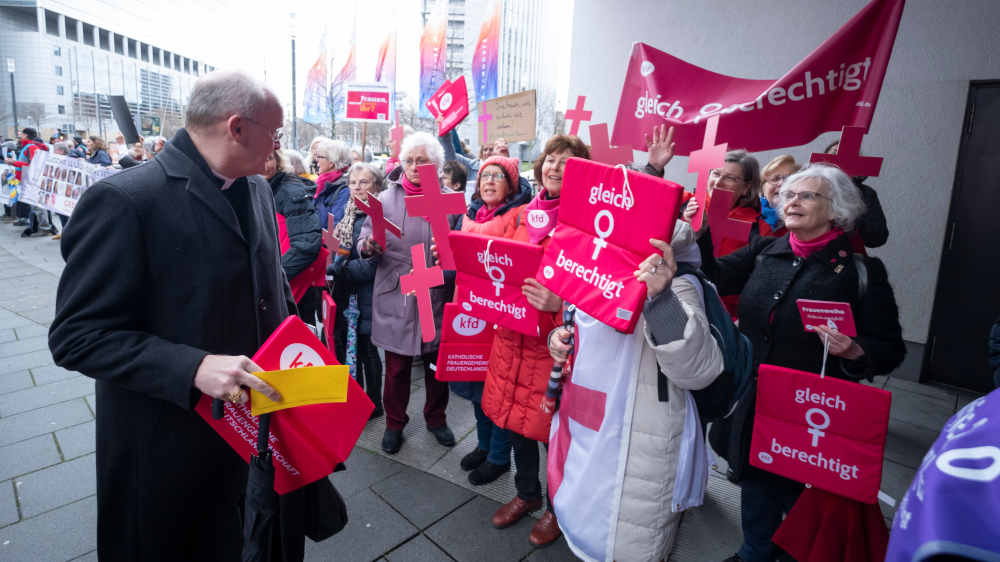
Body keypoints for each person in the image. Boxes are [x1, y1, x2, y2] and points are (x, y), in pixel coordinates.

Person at [49, 71, 296, 562]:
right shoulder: (125, 200)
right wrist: (194, 368)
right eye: (276, 132)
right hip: (168, 447)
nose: (278, 145)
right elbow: (77, 336)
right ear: (237, 127)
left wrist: (298, 341)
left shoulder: (258, 190)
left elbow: (272, 292)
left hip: (253, 437)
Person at [714, 164, 906, 562]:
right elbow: (714, 274)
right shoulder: (768, 250)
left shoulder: (860, 272)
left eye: (806, 195)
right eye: (789, 195)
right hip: (756, 397)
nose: (792, 201)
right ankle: (755, 551)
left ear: (835, 210)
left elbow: (890, 348)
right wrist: (691, 235)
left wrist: (854, 351)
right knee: (756, 479)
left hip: (813, 411)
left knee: (799, 495)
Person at [546, 221, 723, 561]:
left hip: (638, 437)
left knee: (628, 539)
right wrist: (558, 342)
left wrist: (661, 300)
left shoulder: (676, 283)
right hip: (584, 425)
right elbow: (574, 329)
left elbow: (700, 371)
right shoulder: (590, 272)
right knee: (582, 516)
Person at [480, 134, 591, 547]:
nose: (555, 168)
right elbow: (497, 258)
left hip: (555, 345)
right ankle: (526, 494)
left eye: (568, 162)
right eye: (551, 160)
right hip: (513, 334)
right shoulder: (524, 214)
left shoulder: (588, 222)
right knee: (517, 423)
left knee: (555, 434)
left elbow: (602, 288)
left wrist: (560, 301)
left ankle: (556, 508)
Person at [359, 131, 459, 455]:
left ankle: (436, 418)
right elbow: (365, 239)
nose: (415, 166)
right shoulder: (386, 200)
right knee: (397, 368)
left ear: (437, 165)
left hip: (434, 293)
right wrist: (368, 246)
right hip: (397, 293)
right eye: (410, 160)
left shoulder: (451, 202)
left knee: (434, 367)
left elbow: (463, 246)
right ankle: (394, 423)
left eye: (423, 161)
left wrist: (450, 257)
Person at [329, 162, 384, 419]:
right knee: (349, 346)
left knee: (366, 348)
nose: (357, 187)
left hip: (368, 294)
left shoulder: (379, 216)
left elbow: (373, 266)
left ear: (377, 186)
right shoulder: (348, 213)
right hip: (346, 294)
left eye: (364, 182)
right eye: (353, 182)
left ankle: (374, 402)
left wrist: (341, 270)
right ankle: (356, 395)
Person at [262, 149, 322, 322]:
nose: (265, 165)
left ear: (278, 160)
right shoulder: (262, 186)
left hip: (292, 286)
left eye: (269, 158)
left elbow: (307, 244)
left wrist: (271, 277)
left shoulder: (289, 191)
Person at [823, 140, 889, 252]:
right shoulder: (812, 191)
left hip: (851, 257)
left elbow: (878, 238)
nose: (840, 159)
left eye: (848, 155)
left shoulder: (866, 193)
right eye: (835, 154)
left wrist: (855, 211)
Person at [460, 155, 532, 237]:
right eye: (485, 175)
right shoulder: (469, 213)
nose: (489, 181)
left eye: (498, 176)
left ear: (510, 188)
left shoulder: (523, 215)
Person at [758, 154, 802, 238]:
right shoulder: (749, 218)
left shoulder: (809, 219)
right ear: (762, 189)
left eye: (790, 178)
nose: (782, 183)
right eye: (775, 179)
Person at [313, 139, 352, 229]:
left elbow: (334, 226)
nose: (316, 160)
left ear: (331, 163)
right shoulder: (320, 183)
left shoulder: (344, 190)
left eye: (320, 157)